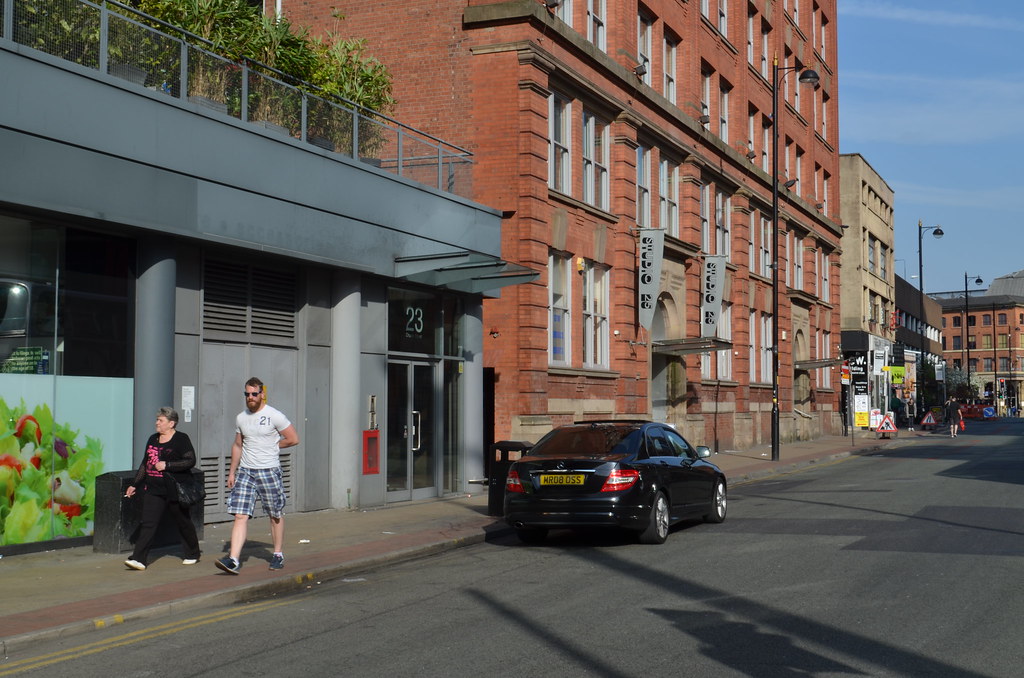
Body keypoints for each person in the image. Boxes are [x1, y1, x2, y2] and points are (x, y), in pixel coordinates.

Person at [215, 377, 299, 574]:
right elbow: (238, 445)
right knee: (240, 515)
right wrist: (232, 471)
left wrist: (273, 446)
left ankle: (277, 554)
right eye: (247, 394)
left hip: (269, 471)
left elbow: (293, 439)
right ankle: (233, 559)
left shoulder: (274, 415)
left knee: (275, 514)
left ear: (262, 394)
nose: (250, 397)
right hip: (246, 471)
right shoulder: (241, 418)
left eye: (254, 394)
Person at [123, 407, 201, 570]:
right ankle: (139, 559)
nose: (157, 423)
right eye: (157, 419)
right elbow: (145, 464)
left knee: (183, 522)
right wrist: (134, 484)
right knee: (148, 524)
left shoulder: (181, 439)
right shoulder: (153, 439)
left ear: (171, 423)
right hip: (153, 489)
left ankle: (193, 553)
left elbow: (190, 460)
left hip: (174, 489)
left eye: (161, 420)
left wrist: (168, 465)